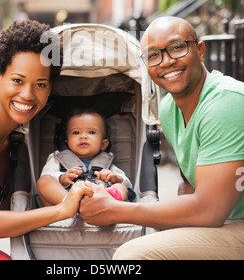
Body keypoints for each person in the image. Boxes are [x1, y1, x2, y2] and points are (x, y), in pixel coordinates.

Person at [79, 16, 244, 260]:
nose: (166, 61)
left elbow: (210, 211)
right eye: (153, 55)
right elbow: (190, 185)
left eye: (177, 48)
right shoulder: (169, 109)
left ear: (200, 51)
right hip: (226, 223)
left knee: (132, 255)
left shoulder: (226, 102)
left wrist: (116, 210)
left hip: (233, 222)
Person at [0, 20, 93, 260]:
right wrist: (61, 210)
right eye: (18, 80)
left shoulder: (19, 141)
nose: (27, 94)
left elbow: (11, 215)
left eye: (40, 85)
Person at [37, 109, 134, 206]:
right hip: (65, 204)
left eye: (91, 132)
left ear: (104, 144)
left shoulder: (106, 163)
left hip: (99, 204)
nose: (83, 136)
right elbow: (47, 176)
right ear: (67, 141)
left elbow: (127, 184)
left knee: (121, 188)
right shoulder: (58, 158)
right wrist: (61, 178)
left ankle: (109, 204)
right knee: (43, 181)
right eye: (76, 133)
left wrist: (115, 178)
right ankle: (74, 205)